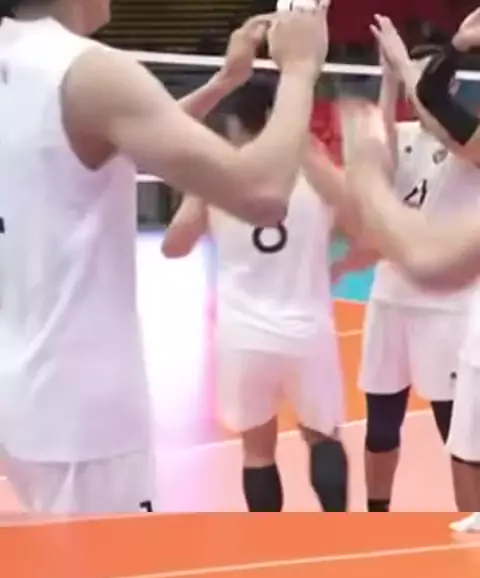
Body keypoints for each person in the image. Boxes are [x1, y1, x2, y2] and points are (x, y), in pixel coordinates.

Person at [0, 0, 329, 515]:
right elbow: (262, 194)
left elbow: (107, 134)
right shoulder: (86, 69)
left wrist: (222, 83)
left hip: (20, 392)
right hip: (82, 418)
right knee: (111, 568)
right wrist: (300, 69)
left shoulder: (25, 61)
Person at [162, 80, 359, 512]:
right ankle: (341, 533)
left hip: (243, 336)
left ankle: (269, 540)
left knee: (257, 451)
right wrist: (341, 263)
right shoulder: (315, 174)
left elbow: (173, 246)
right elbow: (362, 223)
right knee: (323, 436)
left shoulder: (218, 179)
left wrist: (198, 192)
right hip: (307, 331)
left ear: (235, 125)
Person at [340, 10, 480, 515]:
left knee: (457, 431)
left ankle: (469, 520)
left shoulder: (464, 141)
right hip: (392, 297)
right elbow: (379, 164)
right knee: (380, 425)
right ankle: (377, 516)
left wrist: (410, 66)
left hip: (446, 306)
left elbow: (440, 119)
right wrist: (387, 81)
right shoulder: (398, 131)